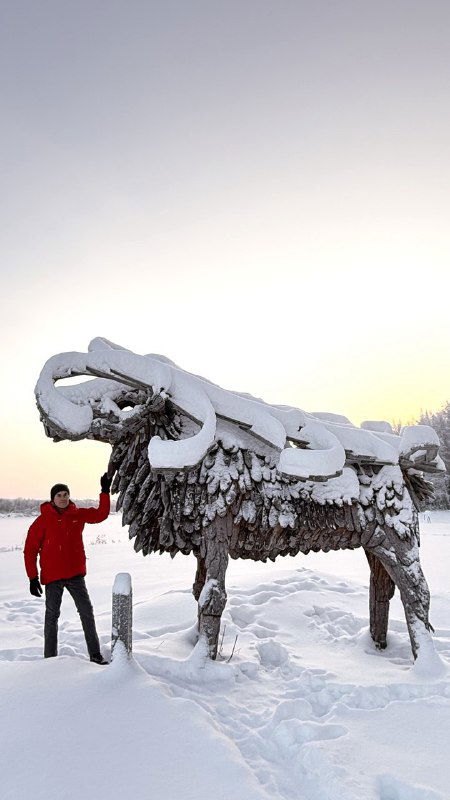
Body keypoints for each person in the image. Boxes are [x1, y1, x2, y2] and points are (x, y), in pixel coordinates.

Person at [24, 473, 112, 664]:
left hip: (75, 575)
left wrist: (105, 491)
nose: (63, 498)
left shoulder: (77, 515)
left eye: (65, 494)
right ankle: (49, 659)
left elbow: (101, 514)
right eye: (59, 495)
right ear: (52, 499)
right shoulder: (42, 521)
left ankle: (95, 654)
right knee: (51, 616)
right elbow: (30, 550)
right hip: (53, 577)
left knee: (86, 612)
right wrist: (32, 577)